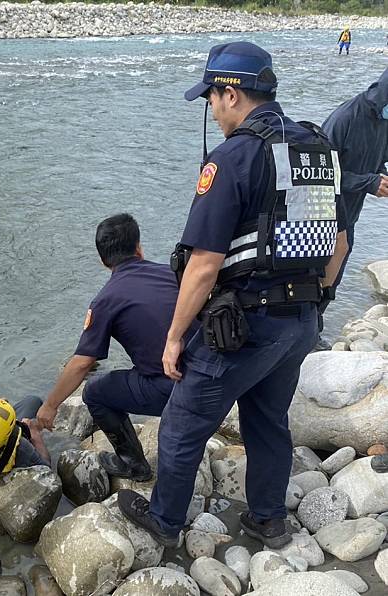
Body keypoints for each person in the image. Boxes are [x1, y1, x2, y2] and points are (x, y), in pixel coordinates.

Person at [117, 41, 348, 549]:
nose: (213, 111)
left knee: (182, 423)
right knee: (267, 420)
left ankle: (165, 522)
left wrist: (175, 337)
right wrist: (317, 302)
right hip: (301, 320)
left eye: (212, 100)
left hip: (244, 326)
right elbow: (341, 240)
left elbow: (203, 264)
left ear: (232, 93)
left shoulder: (234, 157)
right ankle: (268, 518)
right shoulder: (318, 147)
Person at [36, 214, 180, 481]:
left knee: (95, 391)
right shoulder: (173, 274)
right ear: (139, 247)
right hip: (208, 377)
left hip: (171, 389)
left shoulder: (106, 299)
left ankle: (133, 464)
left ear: (103, 261)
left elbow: (82, 363)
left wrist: (50, 405)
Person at [322, 68, 388, 289]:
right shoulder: (344, 118)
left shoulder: (384, 120)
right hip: (323, 221)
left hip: (349, 216)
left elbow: (378, 162)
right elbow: (320, 176)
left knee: (332, 287)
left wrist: (382, 178)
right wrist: (368, 182)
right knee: (316, 289)